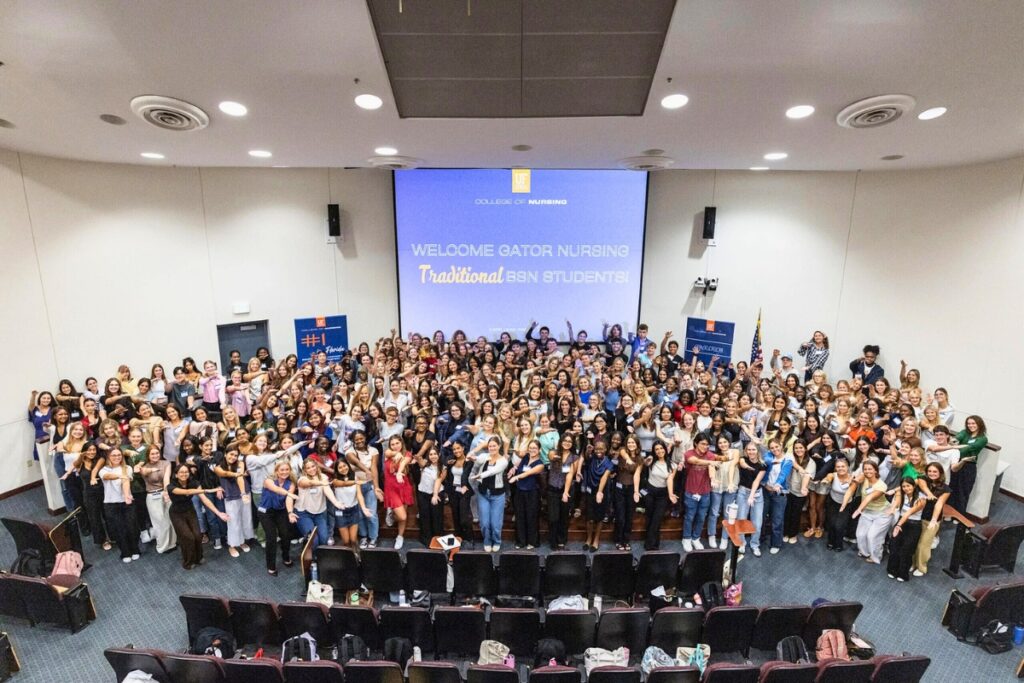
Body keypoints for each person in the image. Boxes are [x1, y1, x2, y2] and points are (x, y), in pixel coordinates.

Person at [167, 463, 226, 569]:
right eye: (181, 472)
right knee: (187, 537)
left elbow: (205, 499)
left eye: (186, 472)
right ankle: (188, 562)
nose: (184, 474)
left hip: (190, 511)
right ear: (176, 474)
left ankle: (198, 557)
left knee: (198, 535)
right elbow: (187, 491)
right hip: (177, 513)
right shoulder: (171, 486)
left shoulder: (194, 483)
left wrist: (219, 513)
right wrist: (208, 490)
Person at [98, 449, 141, 563]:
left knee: (132, 527)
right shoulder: (103, 470)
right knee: (119, 529)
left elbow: (126, 482)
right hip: (111, 504)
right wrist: (120, 476)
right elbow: (107, 476)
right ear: (108, 457)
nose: (117, 457)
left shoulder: (127, 468)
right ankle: (125, 552)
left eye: (119, 455)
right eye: (113, 455)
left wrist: (126, 496)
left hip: (127, 502)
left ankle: (135, 549)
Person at [845, 460, 890, 564]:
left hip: (882, 513)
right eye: (865, 469)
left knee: (872, 536)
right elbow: (857, 480)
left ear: (875, 471)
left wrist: (859, 510)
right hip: (867, 511)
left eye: (870, 469)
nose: (867, 471)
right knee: (860, 535)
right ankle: (865, 552)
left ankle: (876, 556)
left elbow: (869, 497)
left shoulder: (882, 485)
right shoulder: (864, 478)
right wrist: (852, 480)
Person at [470, 436, 509, 553]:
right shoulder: (484, 456)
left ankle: (496, 541)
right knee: (484, 523)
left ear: (499, 446)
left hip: (498, 495)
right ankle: (487, 541)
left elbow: (493, 471)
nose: (492, 448)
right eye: (490, 446)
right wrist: (473, 456)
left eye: (494, 446)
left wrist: (480, 476)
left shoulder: (503, 461)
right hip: (483, 494)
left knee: (495, 524)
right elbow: (476, 459)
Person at [260, 461, 299, 576]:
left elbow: (288, 500)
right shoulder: (268, 480)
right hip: (266, 511)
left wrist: (290, 512)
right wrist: (289, 494)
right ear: (277, 471)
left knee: (286, 534)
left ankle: (286, 557)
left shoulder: (291, 483)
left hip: (280, 511)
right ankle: (271, 566)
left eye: (287, 469)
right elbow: (276, 489)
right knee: (271, 538)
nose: (284, 472)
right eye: (282, 470)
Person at [295, 457, 344, 547]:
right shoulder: (302, 479)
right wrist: (321, 483)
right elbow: (309, 483)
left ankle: (310, 543)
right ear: (304, 470)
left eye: (313, 466)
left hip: (320, 513)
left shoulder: (323, 477)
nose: (311, 469)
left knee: (324, 540)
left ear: (316, 466)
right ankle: (309, 550)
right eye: (308, 468)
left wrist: (336, 503)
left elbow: (327, 490)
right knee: (313, 541)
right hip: (304, 513)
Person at [214, 448, 254, 557]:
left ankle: (241, 542)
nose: (233, 457)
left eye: (236, 455)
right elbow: (224, 473)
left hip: (244, 493)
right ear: (225, 454)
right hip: (231, 495)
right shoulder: (218, 467)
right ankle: (232, 545)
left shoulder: (240, 463)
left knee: (246, 519)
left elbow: (240, 478)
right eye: (231, 454)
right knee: (233, 521)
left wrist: (243, 493)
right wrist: (236, 474)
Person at [913, 463, 951, 576]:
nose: (932, 473)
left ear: (940, 473)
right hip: (917, 516)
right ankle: (913, 563)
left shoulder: (946, 489)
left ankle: (921, 567)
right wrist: (929, 494)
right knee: (914, 541)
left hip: (931, 519)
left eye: (935, 471)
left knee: (923, 544)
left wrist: (934, 520)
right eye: (929, 471)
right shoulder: (922, 479)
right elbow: (920, 484)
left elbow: (939, 504)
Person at [946, 416, 989, 514]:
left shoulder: (983, 439)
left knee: (963, 492)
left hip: (968, 467)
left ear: (979, 424)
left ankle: (959, 515)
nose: (971, 425)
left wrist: (955, 447)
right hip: (956, 463)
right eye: (969, 423)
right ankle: (948, 513)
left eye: (973, 423)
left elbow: (967, 450)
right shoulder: (964, 432)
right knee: (951, 489)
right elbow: (955, 439)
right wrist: (955, 443)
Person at [682, 434, 718, 552]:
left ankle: (695, 538)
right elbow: (694, 461)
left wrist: (713, 478)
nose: (705, 446)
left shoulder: (710, 455)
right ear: (696, 443)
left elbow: (711, 468)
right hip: (691, 491)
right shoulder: (689, 453)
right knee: (689, 516)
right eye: (702, 443)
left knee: (701, 517)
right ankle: (686, 538)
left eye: (707, 444)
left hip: (705, 492)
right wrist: (710, 462)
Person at [886, 477, 926, 582]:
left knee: (906, 550)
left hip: (914, 525)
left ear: (914, 486)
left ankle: (903, 574)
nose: (906, 488)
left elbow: (909, 513)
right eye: (903, 486)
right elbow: (896, 504)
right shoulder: (902, 495)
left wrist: (898, 525)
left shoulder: (921, 498)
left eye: (908, 486)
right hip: (901, 522)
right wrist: (892, 509)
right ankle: (892, 570)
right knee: (894, 546)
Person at [139, 445, 176, 554]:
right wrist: (152, 469)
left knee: (170, 520)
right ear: (148, 455)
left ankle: (172, 543)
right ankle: (162, 546)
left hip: (165, 493)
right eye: (152, 454)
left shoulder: (166, 463)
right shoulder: (144, 467)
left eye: (157, 453)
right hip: (152, 496)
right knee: (160, 523)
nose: (155, 455)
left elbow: (166, 478)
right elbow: (144, 472)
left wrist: (166, 491)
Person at [706, 434, 740, 550]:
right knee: (714, 512)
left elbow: (732, 466)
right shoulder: (714, 455)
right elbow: (711, 466)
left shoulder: (735, 452)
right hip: (717, 485)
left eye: (725, 442)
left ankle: (725, 538)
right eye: (720, 443)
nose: (723, 444)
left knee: (727, 513)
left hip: (730, 486)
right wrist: (712, 479)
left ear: (729, 442)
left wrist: (730, 482)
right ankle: (712, 535)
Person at [546, 433, 580, 549]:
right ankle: (553, 541)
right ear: (560, 442)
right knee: (553, 517)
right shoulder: (554, 452)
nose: (567, 443)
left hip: (566, 489)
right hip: (552, 489)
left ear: (572, 443)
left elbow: (570, 474)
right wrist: (556, 458)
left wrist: (566, 492)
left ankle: (561, 540)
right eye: (565, 440)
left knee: (564, 517)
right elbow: (551, 456)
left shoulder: (574, 457)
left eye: (569, 441)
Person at [330, 458, 372, 549]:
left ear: (348, 465)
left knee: (353, 540)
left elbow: (359, 495)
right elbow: (344, 484)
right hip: (341, 512)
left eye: (344, 466)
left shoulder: (355, 477)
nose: (343, 468)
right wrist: (355, 482)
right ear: (337, 470)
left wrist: (364, 508)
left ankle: (356, 554)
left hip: (354, 510)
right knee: (346, 541)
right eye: (340, 467)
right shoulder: (335, 481)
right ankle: (348, 555)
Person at [510, 440, 544, 549]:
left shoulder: (540, 464)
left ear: (539, 450)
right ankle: (521, 541)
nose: (532, 450)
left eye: (535, 448)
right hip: (520, 491)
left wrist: (516, 477)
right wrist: (513, 469)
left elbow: (528, 473)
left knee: (531, 517)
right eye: (530, 448)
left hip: (532, 492)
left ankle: (532, 542)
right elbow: (518, 467)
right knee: (520, 516)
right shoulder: (525, 458)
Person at [644, 440, 676, 551]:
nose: (659, 451)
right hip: (650, 492)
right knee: (650, 518)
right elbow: (644, 464)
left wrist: (671, 494)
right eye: (656, 449)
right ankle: (654, 544)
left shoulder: (672, 465)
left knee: (656, 519)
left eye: (661, 448)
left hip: (662, 495)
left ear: (665, 449)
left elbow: (670, 480)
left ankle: (649, 546)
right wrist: (646, 461)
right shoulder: (651, 460)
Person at [382, 435, 413, 549]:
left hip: (404, 486)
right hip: (391, 489)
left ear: (402, 443)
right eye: (392, 444)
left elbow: (404, 463)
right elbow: (389, 453)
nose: (395, 446)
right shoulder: (387, 453)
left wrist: (399, 472)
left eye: (397, 443)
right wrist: (396, 453)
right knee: (403, 516)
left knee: (403, 515)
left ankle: (400, 536)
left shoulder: (407, 454)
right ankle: (391, 512)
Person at [581, 439, 613, 551]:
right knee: (589, 518)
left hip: (602, 492)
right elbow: (585, 457)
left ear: (605, 449)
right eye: (597, 448)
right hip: (590, 491)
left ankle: (596, 540)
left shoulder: (609, 462)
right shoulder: (592, 458)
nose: (599, 451)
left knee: (599, 517)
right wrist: (588, 451)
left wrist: (599, 492)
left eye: (601, 449)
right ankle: (589, 538)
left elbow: (604, 477)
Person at [612, 435, 642, 551]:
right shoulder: (622, 451)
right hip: (619, 488)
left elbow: (637, 475)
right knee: (620, 516)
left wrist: (636, 491)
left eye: (633, 443)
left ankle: (626, 540)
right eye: (629, 442)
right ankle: (618, 540)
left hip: (631, 489)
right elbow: (623, 452)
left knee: (629, 516)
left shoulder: (640, 458)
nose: (631, 445)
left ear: (637, 444)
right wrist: (628, 459)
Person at [782, 440, 815, 544]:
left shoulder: (811, 462)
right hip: (788, 490)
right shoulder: (791, 457)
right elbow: (789, 460)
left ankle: (793, 534)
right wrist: (799, 467)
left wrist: (804, 488)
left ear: (805, 448)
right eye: (796, 448)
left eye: (801, 448)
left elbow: (807, 476)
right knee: (787, 512)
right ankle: (785, 533)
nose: (798, 450)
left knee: (795, 514)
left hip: (800, 493)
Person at [413, 445, 447, 545]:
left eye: (435, 454)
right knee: (424, 515)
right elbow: (419, 460)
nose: (433, 456)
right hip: (423, 493)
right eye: (431, 454)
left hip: (437, 493)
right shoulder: (425, 463)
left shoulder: (443, 468)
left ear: (439, 454)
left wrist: (435, 495)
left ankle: (437, 539)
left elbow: (438, 480)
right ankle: (426, 539)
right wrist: (418, 458)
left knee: (437, 516)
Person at [821, 458, 855, 551]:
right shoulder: (833, 475)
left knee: (839, 525)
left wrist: (843, 505)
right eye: (838, 467)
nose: (840, 468)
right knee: (831, 523)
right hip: (833, 502)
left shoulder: (852, 479)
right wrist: (826, 480)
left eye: (843, 466)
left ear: (847, 467)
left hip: (846, 504)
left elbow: (850, 492)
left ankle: (838, 543)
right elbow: (828, 478)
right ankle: (830, 541)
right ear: (835, 468)